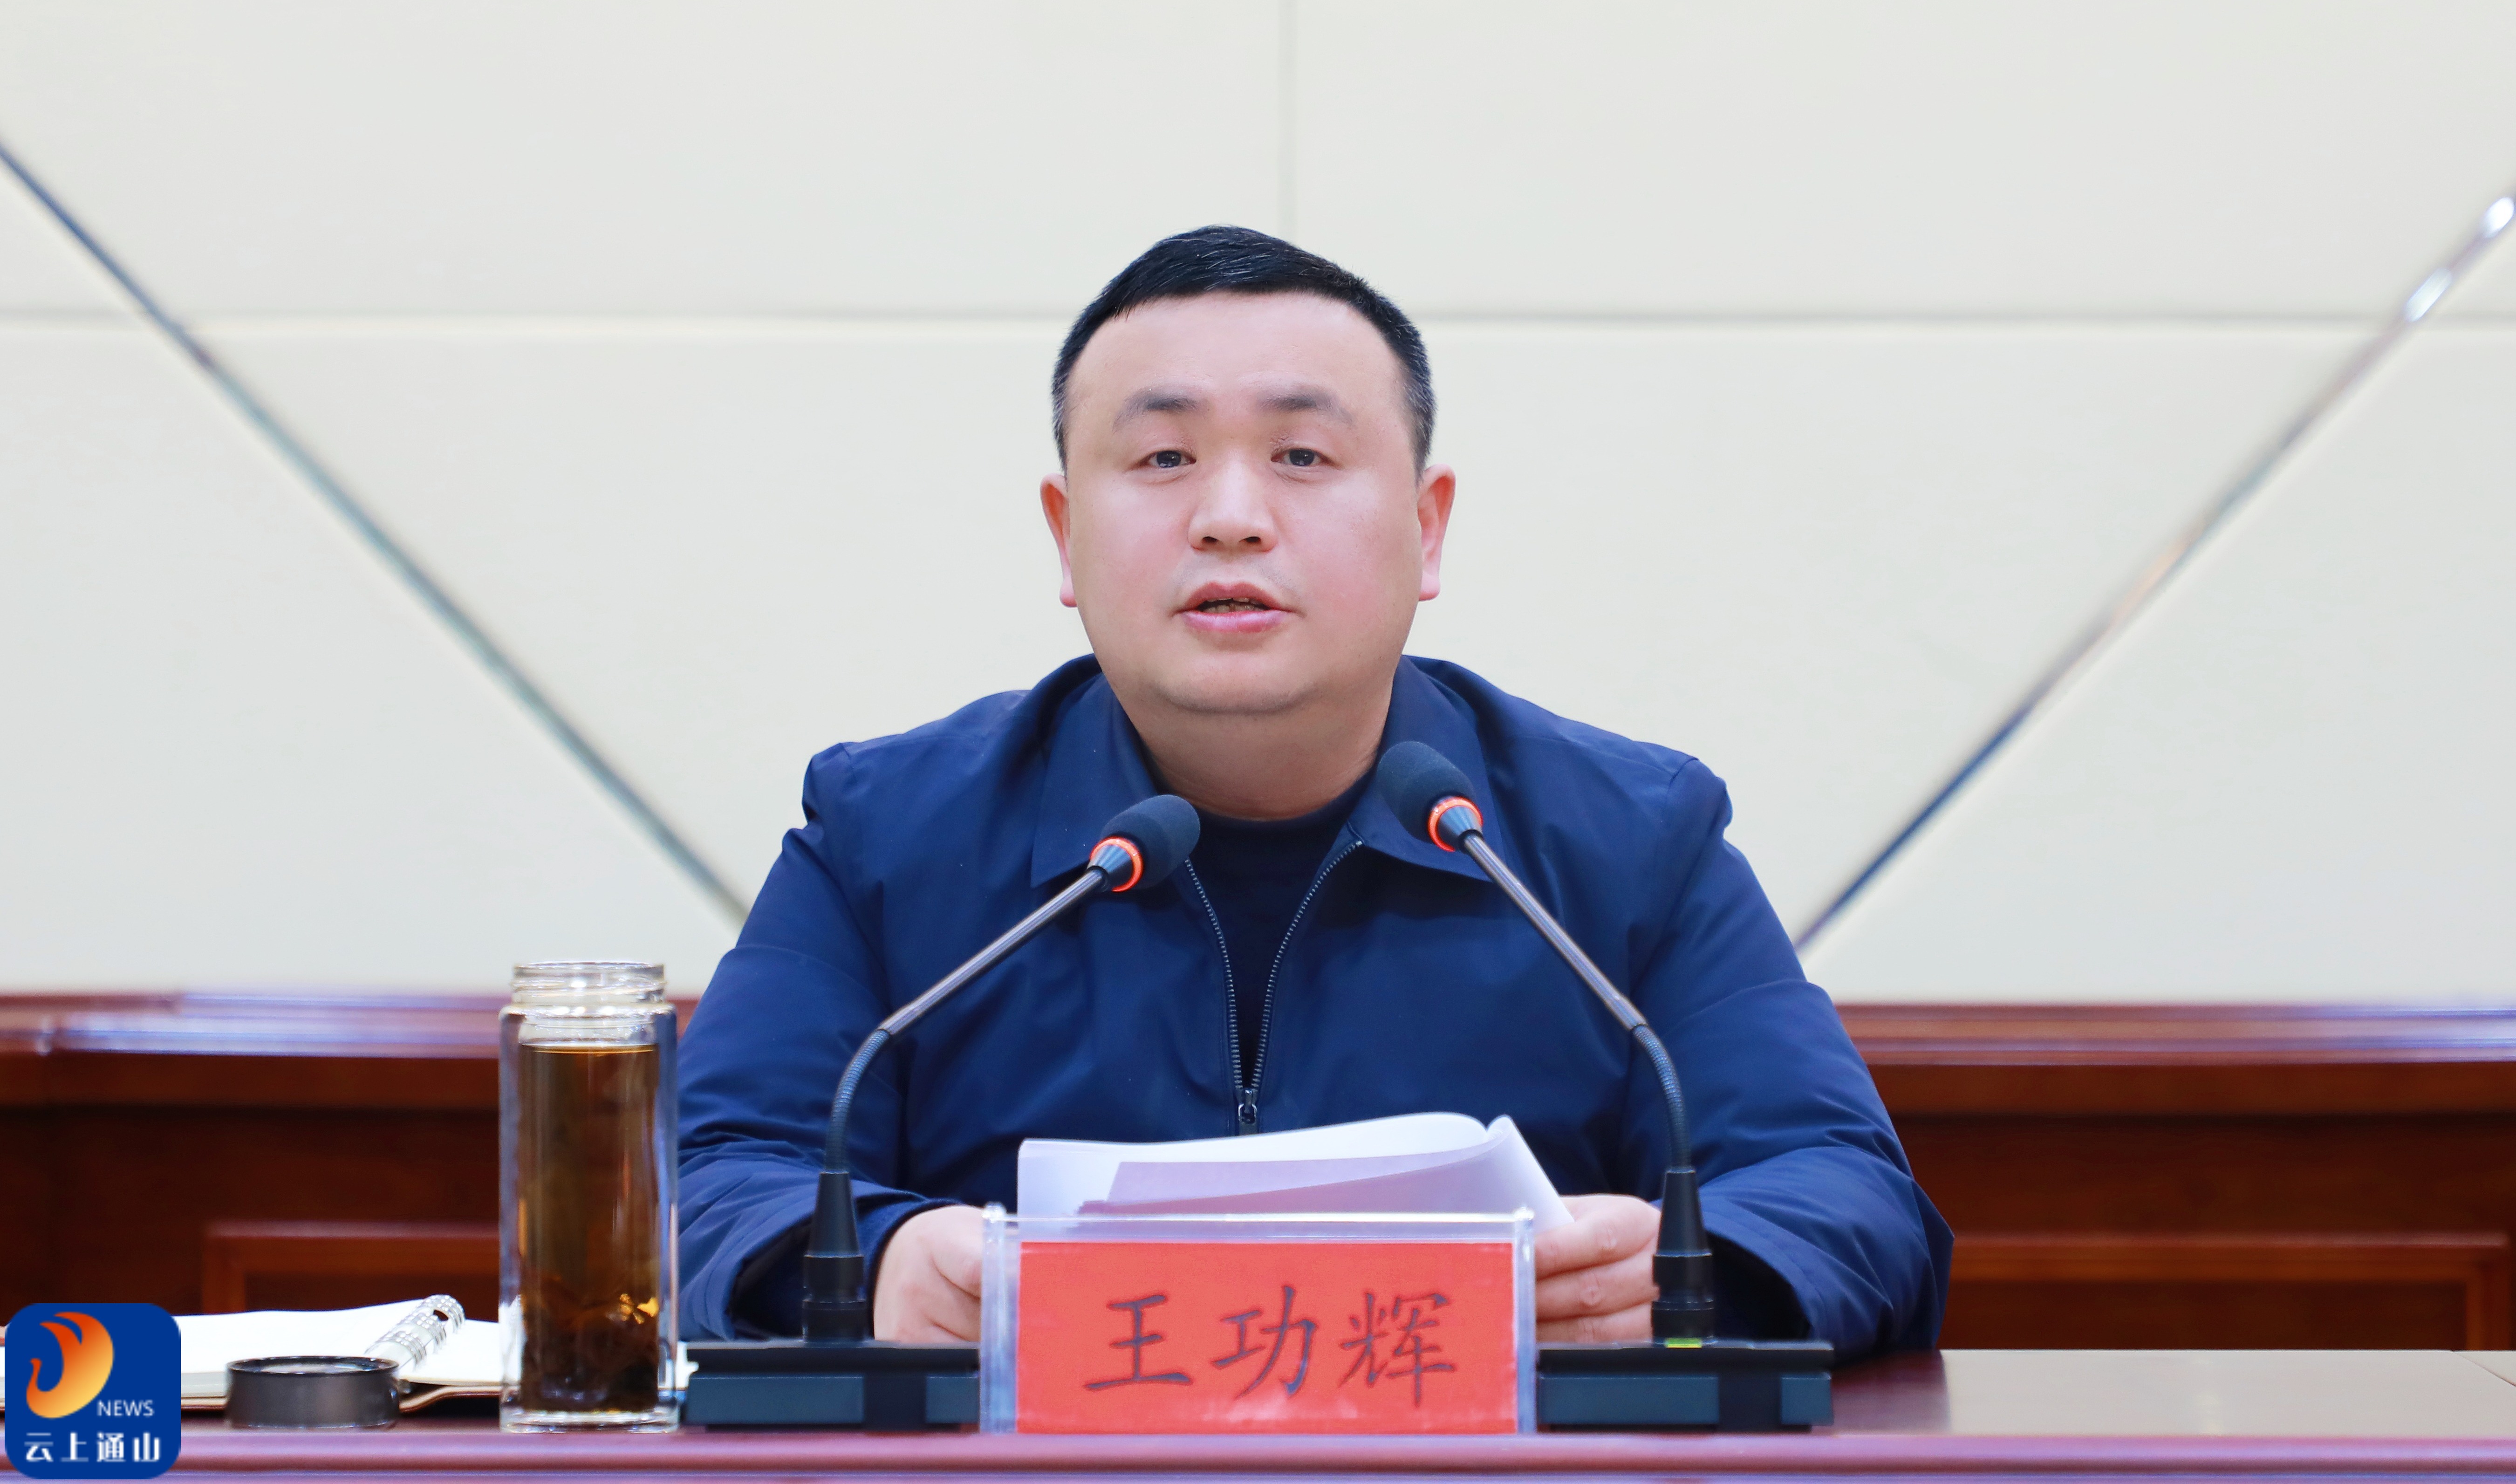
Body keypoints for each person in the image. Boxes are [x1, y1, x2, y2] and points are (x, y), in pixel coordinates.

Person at [678, 226, 1950, 1356]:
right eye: (1164, 456)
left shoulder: (1626, 840)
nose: (1231, 517)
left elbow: (1844, 1189)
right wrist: (880, 1264)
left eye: (1300, 454)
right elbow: (705, 1179)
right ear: (1065, 536)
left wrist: (1688, 1273)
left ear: (1427, 529)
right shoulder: (888, 835)